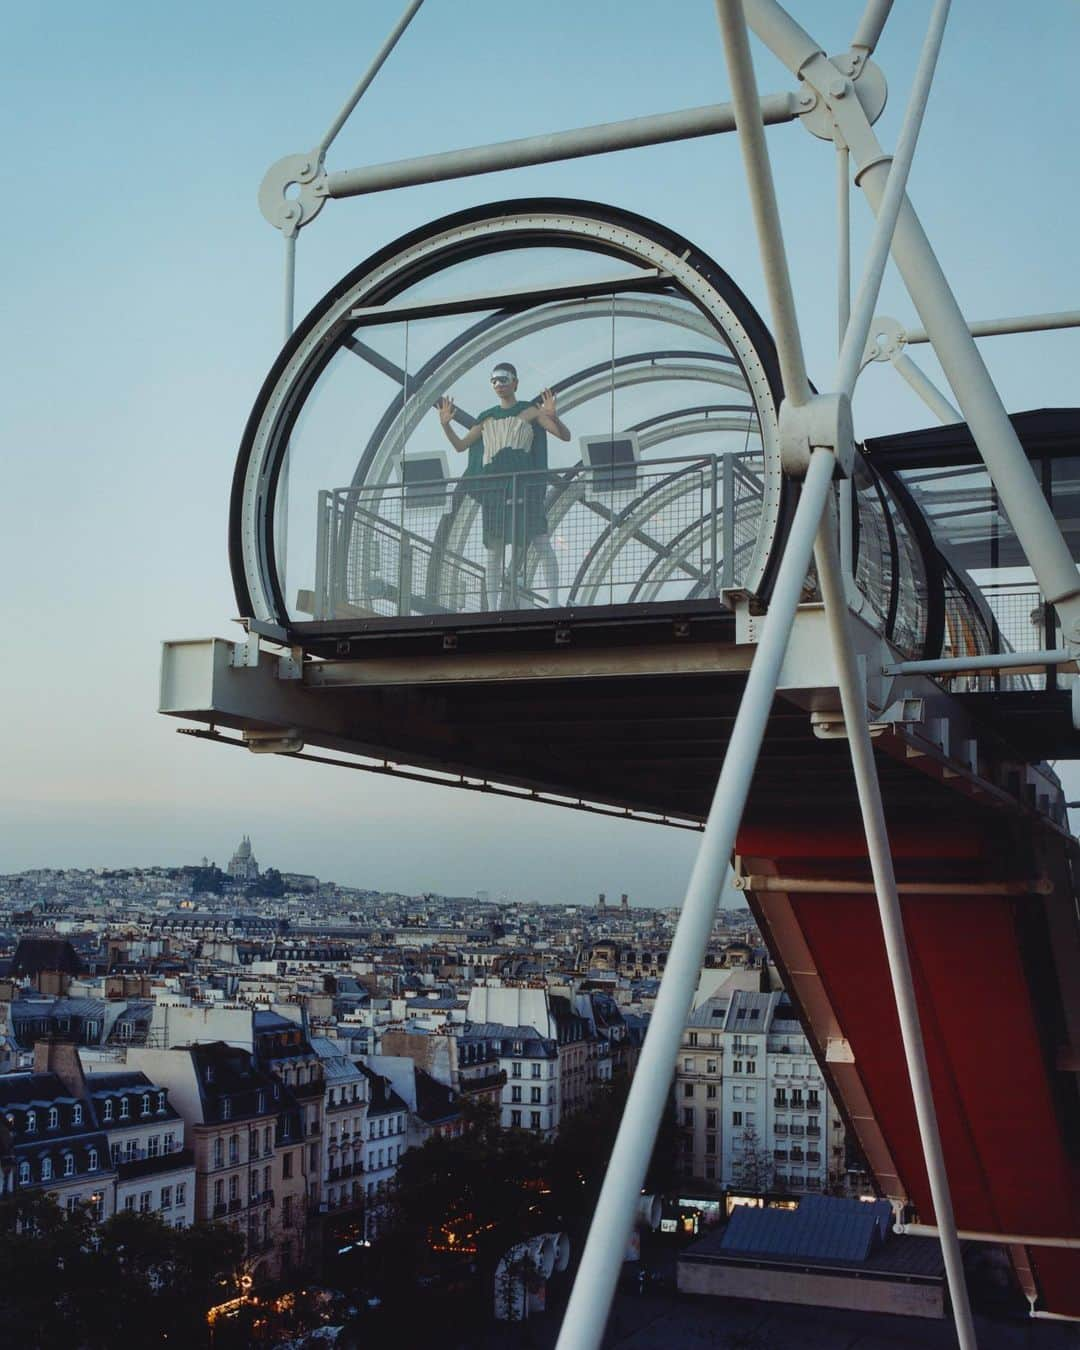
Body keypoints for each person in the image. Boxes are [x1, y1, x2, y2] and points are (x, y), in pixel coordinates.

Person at [436, 361, 570, 610]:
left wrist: (554, 417)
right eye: (494, 380)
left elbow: (563, 435)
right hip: (496, 487)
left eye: (504, 379)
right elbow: (461, 446)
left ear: (515, 382)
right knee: (494, 548)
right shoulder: (486, 417)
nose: (499, 384)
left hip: (524, 483)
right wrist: (445, 424)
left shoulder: (530, 411)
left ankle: (553, 601)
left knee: (540, 540)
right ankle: (495, 607)